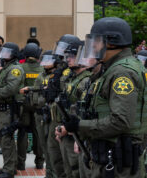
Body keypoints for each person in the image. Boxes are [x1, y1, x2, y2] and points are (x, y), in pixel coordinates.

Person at [62, 17, 147, 177]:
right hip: (111, 157)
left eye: (96, 41)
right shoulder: (113, 69)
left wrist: (81, 126)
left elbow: (121, 121)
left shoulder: (122, 72)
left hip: (119, 162)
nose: (93, 46)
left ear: (111, 43)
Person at [0, 42, 25, 178]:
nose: (3, 55)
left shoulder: (15, 69)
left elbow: (11, 88)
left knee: (6, 137)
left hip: (10, 109)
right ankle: (9, 165)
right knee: (5, 138)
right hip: (3, 108)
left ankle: (9, 170)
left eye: (7, 52)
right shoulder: (6, 68)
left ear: (14, 55)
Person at [54, 39, 89, 178]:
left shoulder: (86, 79)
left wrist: (77, 138)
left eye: (72, 56)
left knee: (76, 171)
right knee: (67, 169)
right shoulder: (72, 78)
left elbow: (82, 110)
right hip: (66, 130)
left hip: (76, 133)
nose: (68, 59)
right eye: (67, 56)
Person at [20, 50, 57, 177]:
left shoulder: (56, 76)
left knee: (52, 147)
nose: (45, 63)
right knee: (44, 144)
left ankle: (52, 172)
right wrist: (29, 89)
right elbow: (37, 89)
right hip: (38, 112)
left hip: (51, 115)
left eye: (49, 61)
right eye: (44, 60)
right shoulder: (41, 74)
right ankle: (49, 173)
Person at [16, 42, 44, 171]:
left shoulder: (20, 67)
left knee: (22, 133)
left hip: (24, 105)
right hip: (38, 104)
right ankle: (39, 162)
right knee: (38, 133)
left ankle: (21, 163)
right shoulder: (42, 68)